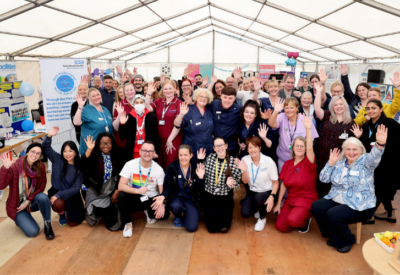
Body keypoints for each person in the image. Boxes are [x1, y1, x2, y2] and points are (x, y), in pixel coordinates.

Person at [311, 130, 387, 253]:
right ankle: (333, 234)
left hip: (361, 204)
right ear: (344, 151)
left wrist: (380, 144)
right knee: (317, 206)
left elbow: (375, 157)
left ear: (361, 150)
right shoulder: (340, 163)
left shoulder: (366, 162)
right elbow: (323, 179)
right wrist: (330, 163)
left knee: (333, 214)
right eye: (348, 149)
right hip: (339, 198)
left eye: (355, 149)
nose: (351, 152)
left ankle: (347, 240)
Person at [351, 100, 400, 224]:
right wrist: (359, 137)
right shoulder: (367, 126)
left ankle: (370, 214)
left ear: (381, 109)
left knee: (383, 188)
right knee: (379, 188)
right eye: (368, 108)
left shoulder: (391, 124)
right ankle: (389, 212)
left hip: (388, 163)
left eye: (374, 108)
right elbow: (366, 146)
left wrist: (384, 152)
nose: (370, 111)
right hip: (372, 163)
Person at [274, 114, 318, 233]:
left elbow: (310, 149)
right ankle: (294, 216)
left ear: (305, 148)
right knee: (281, 226)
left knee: (293, 221)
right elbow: (283, 184)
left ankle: (306, 218)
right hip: (291, 200)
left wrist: (308, 129)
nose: (299, 148)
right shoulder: (288, 163)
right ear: (293, 148)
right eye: (296, 146)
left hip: (306, 199)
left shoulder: (309, 161)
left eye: (302, 146)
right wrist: (278, 204)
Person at [0, 144, 55, 239]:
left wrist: (28, 201)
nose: (35, 155)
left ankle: (48, 225)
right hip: (18, 206)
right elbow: (1, 185)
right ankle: (20, 219)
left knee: (43, 197)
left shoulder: (40, 166)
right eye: (32, 152)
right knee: (33, 232)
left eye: (38, 153)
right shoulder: (15, 167)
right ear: (27, 152)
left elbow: (42, 186)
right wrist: (5, 168)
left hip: (30, 202)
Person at [117, 141, 169, 237]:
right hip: (133, 197)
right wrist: (138, 191)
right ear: (140, 152)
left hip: (150, 199)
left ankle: (148, 212)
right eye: (144, 150)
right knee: (121, 196)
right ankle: (128, 222)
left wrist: (163, 203)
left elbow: (162, 191)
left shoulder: (159, 169)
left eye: (150, 151)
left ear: (154, 153)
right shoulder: (130, 164)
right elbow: (121, 186)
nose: (147, 153)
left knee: (165, 215)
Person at [314, 83, 355, 198]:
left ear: (345, 106)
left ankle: (334, 199)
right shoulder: (326, 116)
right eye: (336, 104)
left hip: (340, 157)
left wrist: (358, 135)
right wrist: (318, 91)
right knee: (322, 177)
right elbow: (317, 108)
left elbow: (354, 143)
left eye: (341, 104)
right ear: (332, 106)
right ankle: (321, 200)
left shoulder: (350, 122)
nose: (338, 106)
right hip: (322, 155)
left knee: (336, 179)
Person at [153, 145, 205, 232]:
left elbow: (199, 190)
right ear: (178, 155)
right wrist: (163, 196)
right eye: (181, 155)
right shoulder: (172, 167)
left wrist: (200, 178)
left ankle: (188, 214)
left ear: (191, 156)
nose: (183, 158)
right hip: (177, 198)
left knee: (192, 228)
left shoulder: (197, 168)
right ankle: (178, 215)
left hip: (191, 199)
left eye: (186, 155)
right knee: (175, 206)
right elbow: (168, 186)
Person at [234, 137, 278, 231]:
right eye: (250, 147)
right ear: (247, 149)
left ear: (259, 148)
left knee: (259, 198)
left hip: (267, 191)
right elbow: (245, 182)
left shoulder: (268, 161)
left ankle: (262, 218)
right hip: (253, 191)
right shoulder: (245, 160)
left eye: (255, 147)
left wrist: (272, 196)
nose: (253, 150)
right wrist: (245, 171)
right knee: (245, 213)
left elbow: (276, 183)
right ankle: (259, 207)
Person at [198, 137, 241, 233]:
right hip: (210, 197)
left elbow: (238, 180)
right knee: (211, 229)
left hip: (225, 198)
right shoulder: (210, 158)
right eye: (217, 146)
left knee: (224, 229)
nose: (219, 148)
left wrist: (231, 182)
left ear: (226, 146)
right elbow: (201, 173)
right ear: (214, 148)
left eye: (221, 145)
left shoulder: (233, 161)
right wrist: (199, 161)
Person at [43, 127, 84, 227]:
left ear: (75, 152)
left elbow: (75, 189)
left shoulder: (79, 168)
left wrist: (60, 194)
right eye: (65, 151)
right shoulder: (57, 159)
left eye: (70, 151)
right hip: (57, 192)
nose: (67, 154)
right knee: (58, 204)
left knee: (73, 223)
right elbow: (45, 147)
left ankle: (71, 211)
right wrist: (49, 135)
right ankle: (61, 214)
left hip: (71, 195)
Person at [79, 133, 121, 231]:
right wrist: (89, 149)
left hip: (110, 189)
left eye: (108, 143)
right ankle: (97, 210)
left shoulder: (116, 155)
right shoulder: (94, 154)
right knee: (101, 209)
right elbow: (81, 167)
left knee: (112, 215)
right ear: (98, 144)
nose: (105, 146)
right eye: (102, 143)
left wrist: (116, 191)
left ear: (112, 144)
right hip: (94, 190)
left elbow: (121, 175)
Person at [268, 97, 319, 172]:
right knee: (283, 181)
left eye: (291, 107)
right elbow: (271, 124)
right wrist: (275, 111)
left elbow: (310, 143)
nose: (289, 110)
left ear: (297, 108)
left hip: (299, 159)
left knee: (296, 181)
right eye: (286, 108)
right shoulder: (282, 116)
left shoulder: (305, 119)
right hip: (283, 158)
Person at [145, 80, 183, 170]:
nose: (168, 91)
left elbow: (178, 124)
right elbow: (147, 109)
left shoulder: (179, 103)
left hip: (173, 140)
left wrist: (170, 140)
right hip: (161, 141)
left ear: (175, 89)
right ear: (162, 90)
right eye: (165, 89)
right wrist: (149, 93)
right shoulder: (159, 101)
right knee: (161, 166)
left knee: (170, 165)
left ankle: (170, 184)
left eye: (170, 88)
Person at [174, 88, 214, 162]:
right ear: (196, 97)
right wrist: (181, 114)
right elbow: (177, 124)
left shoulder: (210, 111)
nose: (203, 99)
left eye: (206, 97)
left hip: (208, 149)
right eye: (201, 96)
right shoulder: (188, 110)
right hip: (192, 149)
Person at [118, 94, 159, 164]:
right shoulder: (128, 117)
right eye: (137, 102)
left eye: (141, 102)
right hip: (132, 152)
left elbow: (155, 137)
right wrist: (122, 123)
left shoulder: (152, 117)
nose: (139, 104)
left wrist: (155, 151)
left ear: (145, 103)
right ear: (133, 104)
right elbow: (122, 136)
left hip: (148, 152)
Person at [73, 87, 114, 156]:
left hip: (106, 148)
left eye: (98, 95)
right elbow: (77, 122)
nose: (96, 97)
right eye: (93, 96)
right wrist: (80, 106)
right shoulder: (85, 110)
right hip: (91, 149)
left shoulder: (105, 109)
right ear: (89, 98)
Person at [209, 86, 242, 157]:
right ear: (220, 96)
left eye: (230, 98)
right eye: (225, 97)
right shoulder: (214, 104)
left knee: (230, 167)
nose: (227, 100)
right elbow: (203, 98)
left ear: (234, 99)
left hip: (232, 146)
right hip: (216, 146)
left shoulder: (239, 109)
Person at [112, 83, 136, 150]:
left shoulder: (140, 102)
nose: (129, 92)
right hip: (124, 142)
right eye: (127, 90)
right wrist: (120, 115)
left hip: (138, 140)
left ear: (135, 91)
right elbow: (115, 127)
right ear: (124, 93)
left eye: (131, 90)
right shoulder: (119, 104)